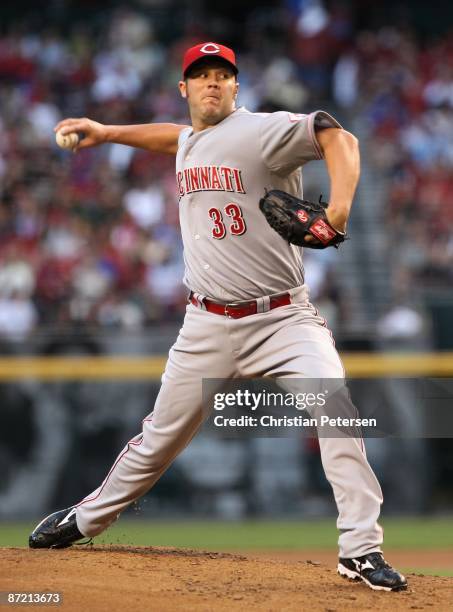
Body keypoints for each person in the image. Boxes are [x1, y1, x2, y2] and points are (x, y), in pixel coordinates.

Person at [29, 42, 407, 592]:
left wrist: (338, 211)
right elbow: (176, 139)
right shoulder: (190, 140)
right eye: (201, 75)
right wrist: (108, 132)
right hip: (205, 322)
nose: (212, 82)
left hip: (283, 319)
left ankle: (361, 550)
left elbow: (337, 136)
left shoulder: (261, 131)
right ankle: (85, 520)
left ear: (237, 87)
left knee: (336, 410)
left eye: (222, 75)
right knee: (158, 439)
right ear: (184, 89)